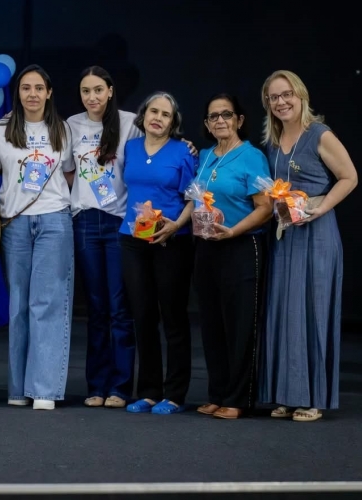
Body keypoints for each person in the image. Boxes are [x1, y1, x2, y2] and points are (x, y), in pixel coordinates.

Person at [257, 70, 357, 422]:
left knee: (312, 310)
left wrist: (320, 208)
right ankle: (286, 393)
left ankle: (311, 397)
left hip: (316, 233)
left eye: (287, 95)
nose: (281, 102)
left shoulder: (319, 134)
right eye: (274, 97)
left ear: (301, 96)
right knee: (284, 311)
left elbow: (350, 177)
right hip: (285, 233)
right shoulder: (273, 140)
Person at [0, 64, 75, 411]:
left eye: (39, 88)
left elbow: (70, 174)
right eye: (26, 88)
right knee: (19, 305)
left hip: (54, 220)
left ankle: (44, 388)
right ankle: (17, 387)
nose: (32, 94)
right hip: (15, 223)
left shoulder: (64, 130)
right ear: (18, 93)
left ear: (49, 92)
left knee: (48, 304)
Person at [191, 94, 272, 420]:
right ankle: (218, 393)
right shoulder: (206, 156)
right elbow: (195, 200)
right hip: (208, 247)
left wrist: (234, 231)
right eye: (213, 116)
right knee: (212, 325)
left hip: (240, 246)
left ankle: (238, 398)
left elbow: (265, 208)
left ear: (239, 120)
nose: (220, 120)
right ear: (208, 125)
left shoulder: (251, 157)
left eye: (227, 114)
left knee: (240, 326)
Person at [119, 91, 197, 415]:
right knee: (143, 317)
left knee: (173, 317)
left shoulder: (183, 152)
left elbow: (195, 197)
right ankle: (149, 391)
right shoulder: (131, 147)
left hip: (171, 240)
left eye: (166, 114)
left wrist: (177, 225)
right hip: (132, 239)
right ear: (143, 115)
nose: (159, 118)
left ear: (173, 122)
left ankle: (175, 394)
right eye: (154, 111)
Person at [68, 66, 141, 409]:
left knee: (119, 308)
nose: (92, 97)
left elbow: (157, 144)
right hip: (85, 223)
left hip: (118, 223)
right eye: (85, 91)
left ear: (110, 90)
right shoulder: (72, 125)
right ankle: (96, 386)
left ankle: (121, 387)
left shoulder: (131, 122)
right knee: (95, 308)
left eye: (98, 89)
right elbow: (67, 169)